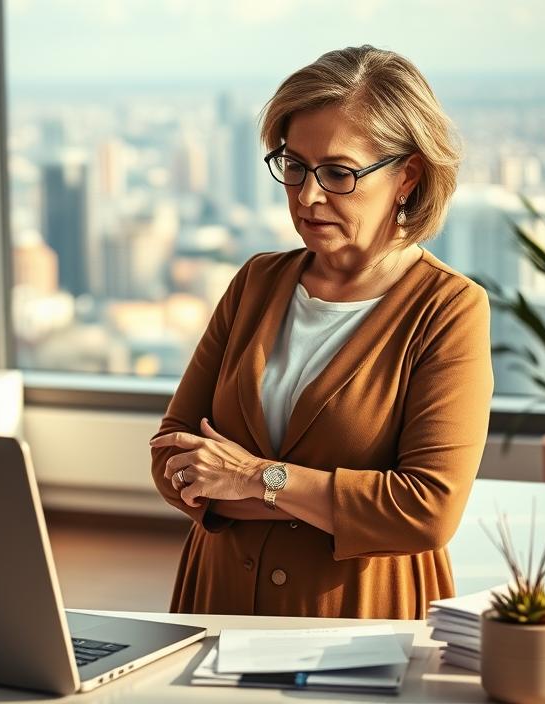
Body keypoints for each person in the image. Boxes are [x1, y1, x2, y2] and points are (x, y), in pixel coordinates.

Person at [148, 46, 492, 619]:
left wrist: (251, 478)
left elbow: (427, 510)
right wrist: (330, 504)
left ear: (407, 176)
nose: (307, 196)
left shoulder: (448, 309)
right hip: (218, 603)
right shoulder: (255, 282)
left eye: (338, 173)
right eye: (294, 166)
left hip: (359, 621)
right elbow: (172, 454)